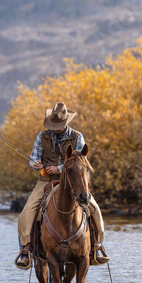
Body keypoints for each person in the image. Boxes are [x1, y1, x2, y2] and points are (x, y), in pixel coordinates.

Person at [15, 102, 109, 269]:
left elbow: (81, 161)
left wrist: (58, 168)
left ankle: (97, 247)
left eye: (58, 126)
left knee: (94, 209)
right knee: (26, 213)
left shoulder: (77, 136)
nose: (55, 129)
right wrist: (36, 165)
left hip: (74, 182)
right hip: (45, 181)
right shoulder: (42, 136)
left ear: (66, 122)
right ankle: (25, 250)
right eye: (53, 125)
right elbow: (33, 158)